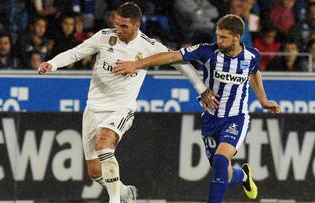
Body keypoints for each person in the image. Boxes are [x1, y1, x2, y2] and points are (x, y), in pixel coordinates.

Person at [37, 2, 218, 203]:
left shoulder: (149, 46)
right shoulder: (104, 37)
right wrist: (52, 63)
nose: (119, 30)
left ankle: (114, 201)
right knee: (95, 171)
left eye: (124, 26)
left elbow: (181, 64)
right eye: (117, 24)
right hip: (93, 108)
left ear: (137, 26)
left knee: (104, 144)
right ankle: (124, 193)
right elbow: (75, 52)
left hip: (121, 109)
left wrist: (201, 90)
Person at [114, 14, 281, 203]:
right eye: (217, 35)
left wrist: (263, 99)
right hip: (210, 119)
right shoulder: (208, 52)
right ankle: (242, 176)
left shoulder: (252, 56)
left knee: (220, 160)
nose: (218, 40)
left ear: (237, 37)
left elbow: (254, 72)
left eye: (224, 37)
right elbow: (172, 56)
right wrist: (136, 64)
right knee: (223, 173)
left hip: (236, 118)